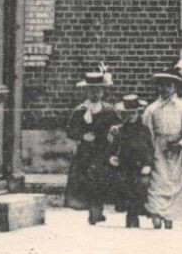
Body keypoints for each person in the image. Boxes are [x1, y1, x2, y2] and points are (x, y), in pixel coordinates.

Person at [142, 60, 182, 228]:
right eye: (161, 85)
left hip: (178, 155)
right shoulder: (151, 110)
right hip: (158, 151)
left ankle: (170, 219)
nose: (165, 89)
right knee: (157, 183)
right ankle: (156, 217)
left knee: (175, 185)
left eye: (169, 85)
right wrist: (150, 149)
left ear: (175, 87)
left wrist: (181, 143)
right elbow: (146, 133)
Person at [64, 67, 118, 224]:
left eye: (98, 90)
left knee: (101, 180)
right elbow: (70, 130)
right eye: (91, 91)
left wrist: (114, 132)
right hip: (86, 152)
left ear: (103, 92)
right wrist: (82, 136)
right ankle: (92, 211)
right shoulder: (80, 110)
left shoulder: (109, 110)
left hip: (103, 151)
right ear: (86, 92)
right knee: (87, 181)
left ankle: (97, 210)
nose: (95, 94)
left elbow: (118, 126)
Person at [108, 94, 155, 228]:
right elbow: (113, 147)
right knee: (125, 188)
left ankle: (138, 213)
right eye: (127, 114)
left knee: (140, 186)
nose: (131, 116)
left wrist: (148, 164)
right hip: (124, 166)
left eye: (133, 113)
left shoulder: (144, 130)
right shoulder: (120, 130)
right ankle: (130, 215)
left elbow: (149, 149)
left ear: (138, 113)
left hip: (139, 166)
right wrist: (112, 157)